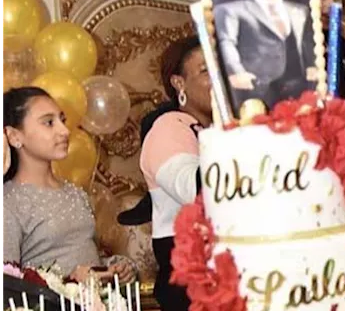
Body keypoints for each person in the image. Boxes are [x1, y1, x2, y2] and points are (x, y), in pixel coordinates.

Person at [1, 87, 136, 284]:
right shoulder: (8, 203)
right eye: (49, 123)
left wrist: (113, 268)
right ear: (14, 136)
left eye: (62, 120)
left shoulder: (75, 193)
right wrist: (70, 282)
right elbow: (7, 284)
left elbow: (85, 259)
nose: (64, 131)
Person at [138, 36, 213, 310]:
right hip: (190, 282)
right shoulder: (168, 128)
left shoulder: (222, 129)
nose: (219, 79)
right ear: (179, 83)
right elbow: (195, 191)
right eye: (206, 71)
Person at [215, 0, 315, 109]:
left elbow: (306, 41)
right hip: (255, 83)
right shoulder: (232, 9)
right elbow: (227, 42)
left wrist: (312, 66)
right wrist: (236, 71)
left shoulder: (300, 10)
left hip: (297, 84)